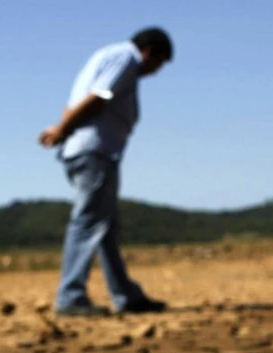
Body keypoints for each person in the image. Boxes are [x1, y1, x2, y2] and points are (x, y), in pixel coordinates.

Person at [39, 27, 173, 317]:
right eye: (159, 64)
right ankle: (70, 296)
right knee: (88, 221)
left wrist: (62, 130)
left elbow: (75, 101)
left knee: (105, 226)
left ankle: (126, 295)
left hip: (85, 149)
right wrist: (62, 129)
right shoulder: (125, 58)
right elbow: (99, 96)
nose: (155, 72)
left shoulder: (104, 56)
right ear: (150, 52)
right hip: (95, 151)